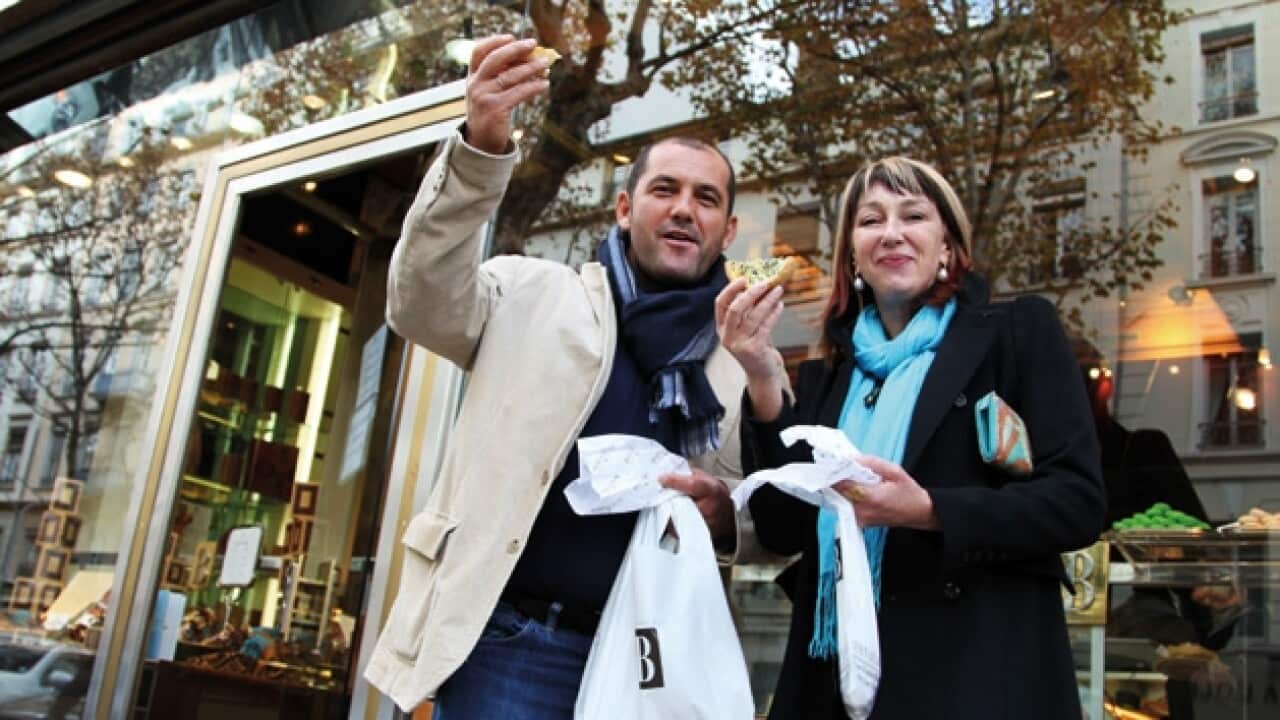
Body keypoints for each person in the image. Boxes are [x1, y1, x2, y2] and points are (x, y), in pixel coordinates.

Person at [363, 35, 766, 718]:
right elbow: (419, 302)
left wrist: (727, 514)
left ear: (726, 232)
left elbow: (758, 506)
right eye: (663, 189)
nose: (681, 209)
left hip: (651, 657)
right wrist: (480, 151)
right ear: (622, 209)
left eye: (704, 199)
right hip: (515, 645)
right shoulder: (529, 290)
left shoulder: (738, 359)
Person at [718, 156, 1107, 719]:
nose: (892, 233)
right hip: (836, 685)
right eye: (871, 220)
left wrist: (927, 509)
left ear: (946, 244)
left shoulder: (1015, 334)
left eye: (913, 215)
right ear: (852, 254)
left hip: (972, 677)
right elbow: (783, 526)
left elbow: (1077, 504)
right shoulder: (833, 374)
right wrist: (759, 372)